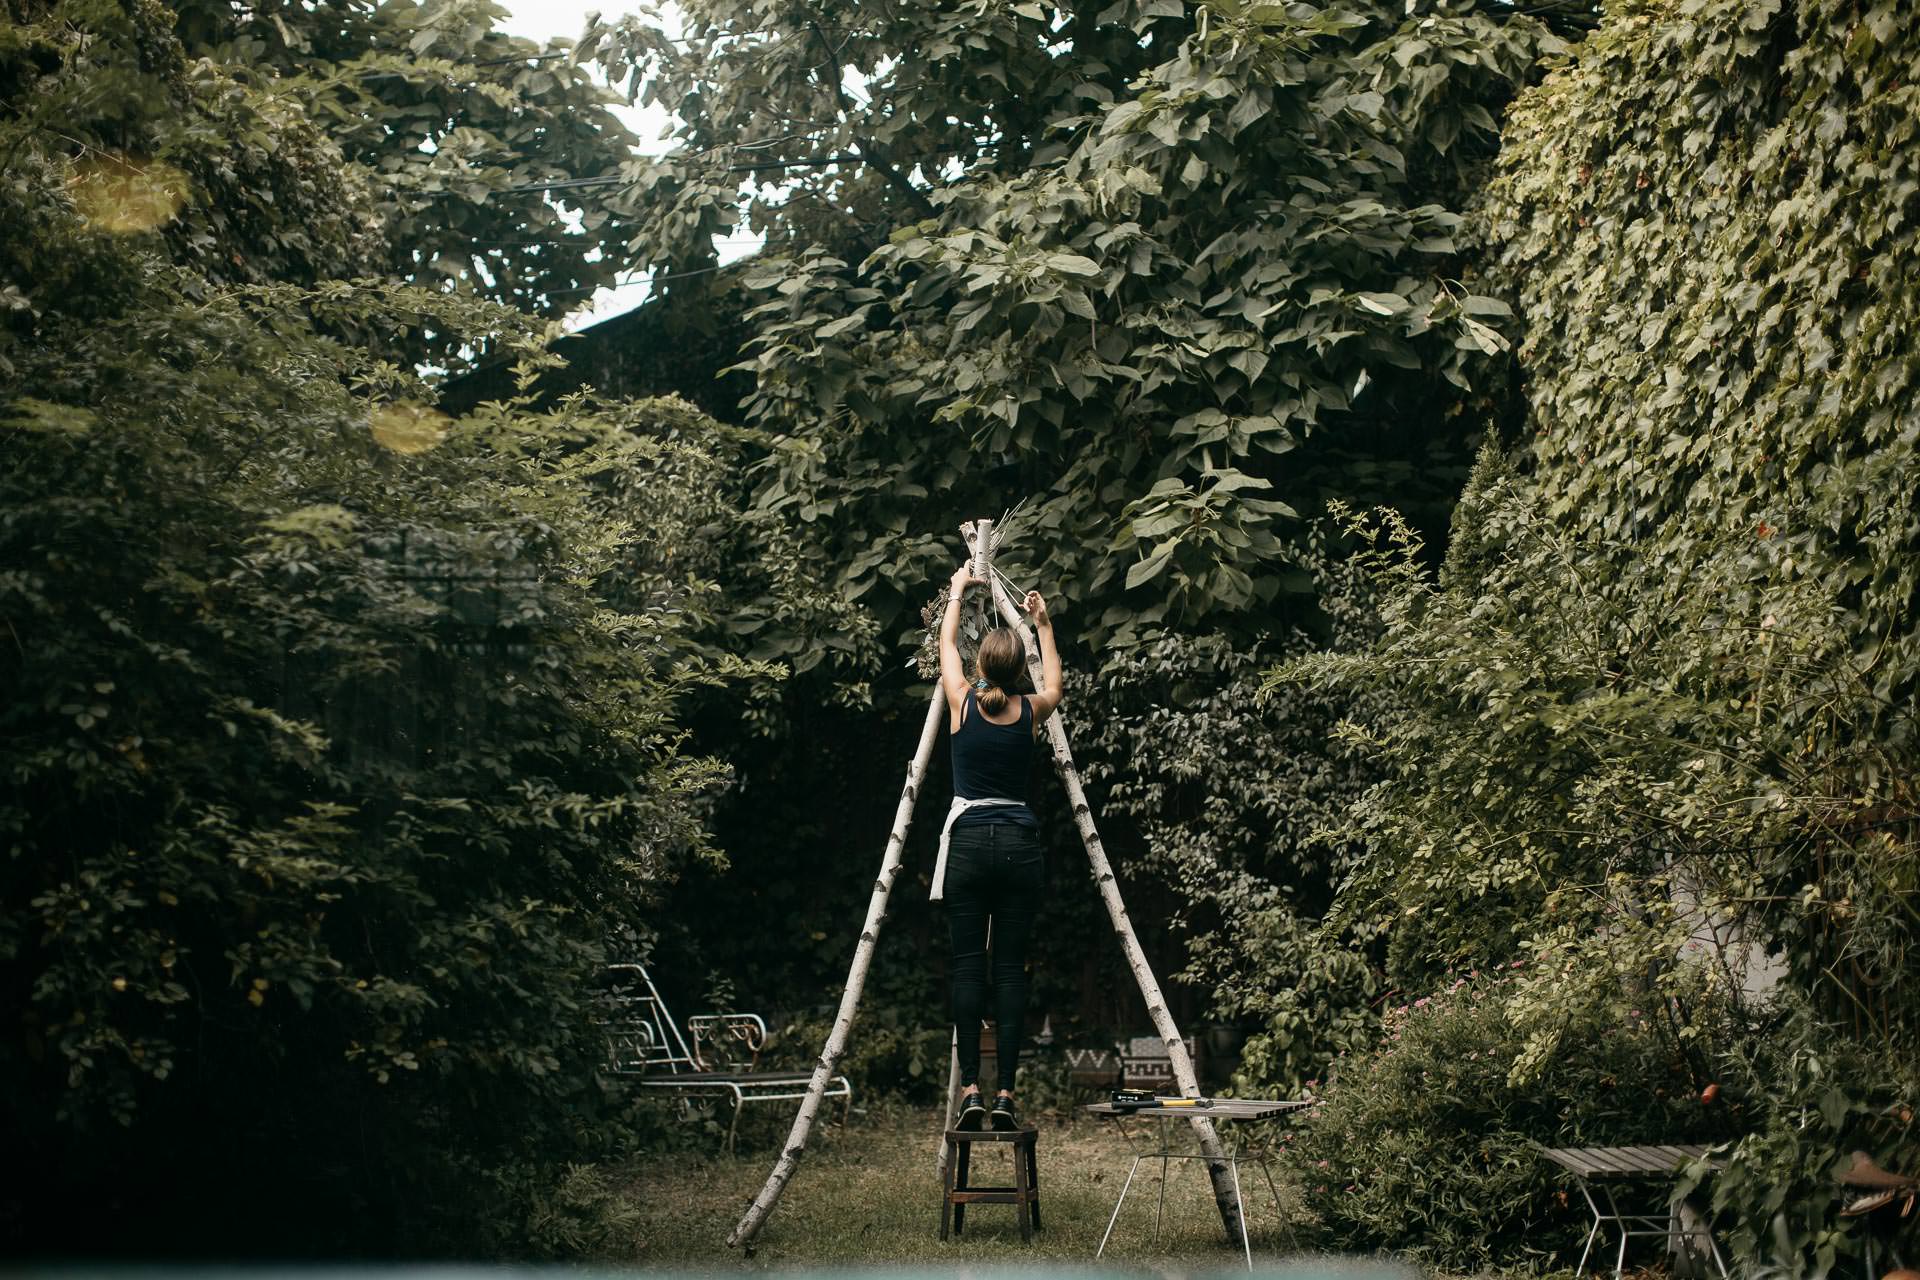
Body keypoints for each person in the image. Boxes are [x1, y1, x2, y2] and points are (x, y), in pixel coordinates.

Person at [934, 565, 1062, 1131]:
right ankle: (1007, 1093)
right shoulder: (1030, 711)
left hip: (967, 847)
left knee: (968, 970)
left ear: (981, 666)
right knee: (1009, 971)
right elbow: (1055, 682)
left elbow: (945, 644)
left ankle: (969, 1092)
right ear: (1017, 674)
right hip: (1017, 845)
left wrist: (959, 591)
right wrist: (1043, 625)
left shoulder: (961, 702)